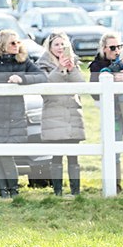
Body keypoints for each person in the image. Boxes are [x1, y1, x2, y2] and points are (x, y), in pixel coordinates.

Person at [0, 29, 46, 198]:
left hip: (14, 116)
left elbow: (42, 76)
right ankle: (2, 191)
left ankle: (13, 190)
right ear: (2, 45)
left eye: (18, 42)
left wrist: (22, 79)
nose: (17, 45)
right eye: (12, 42)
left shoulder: (23, 62)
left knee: (8, 154)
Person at [35, 32, 85, 196]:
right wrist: (59, 69)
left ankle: (75, 192)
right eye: (56, 44)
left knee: (73, 157)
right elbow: (45, 88)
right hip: (53, 116)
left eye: (63, 44)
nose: (60, 48)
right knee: (56, 157)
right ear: (50, 47)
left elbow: (82, 87)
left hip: (72, 116)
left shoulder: (74, 63)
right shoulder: (42, 65)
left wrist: (72, 70)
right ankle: (57, 192)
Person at [88, 31, 123, 191]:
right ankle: (114, 185)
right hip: (110, 113)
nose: (117, 50)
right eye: (113, 47)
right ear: (104, 48)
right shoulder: (96, 65)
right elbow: (93, 92)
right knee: (113, 149)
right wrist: (110, 77)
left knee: (118, 147)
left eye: (119, 46)